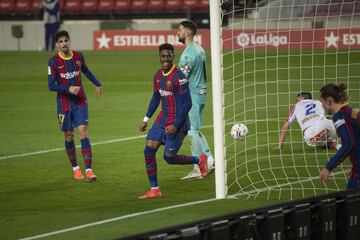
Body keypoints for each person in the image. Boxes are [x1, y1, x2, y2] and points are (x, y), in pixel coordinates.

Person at [138, 43, 208, 199]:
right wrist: (145, 119)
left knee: (169, 158)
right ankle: (154, 189)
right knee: (148, 150)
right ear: (159, 57)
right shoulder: (157, 75)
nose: (165, 59)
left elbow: (187, 103)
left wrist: (176, 125)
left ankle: (199, 159)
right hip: (162, 118)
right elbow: (156, 98)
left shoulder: (179, 77)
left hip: (178, 121)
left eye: (169, 56)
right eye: (163, 56)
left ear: (173, 56)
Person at [48, 31, 102, 181]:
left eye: (66, 40)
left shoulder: (78, 56)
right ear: (57, 44)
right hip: (64, 104)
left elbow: (85, 70)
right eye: (61, 41)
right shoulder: (53, 62)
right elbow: (51, 85)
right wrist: (68, 88)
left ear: (69, 41)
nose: (64, 43)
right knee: (69, 135)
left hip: (80, 101)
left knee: (83, 132)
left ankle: (89, 170)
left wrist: (97, 84)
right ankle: (76, 169)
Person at [177, 20, 215, 180]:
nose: (177, 33)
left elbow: (182, 78)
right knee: (195, 129)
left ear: (187, 32)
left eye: (179, 30)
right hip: (201, 93)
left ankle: (198, 168)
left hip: (191, 97)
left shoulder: (188, 54)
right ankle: (210, 160)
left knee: (191, 131)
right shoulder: (199, 49)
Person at [319, 83, 360, 190]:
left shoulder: (339, 116)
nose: (322, 105)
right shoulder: (350, 110)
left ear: (329, 101)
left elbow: (349, 143)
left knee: (351, 202)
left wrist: (328, 167)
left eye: (322, 102)